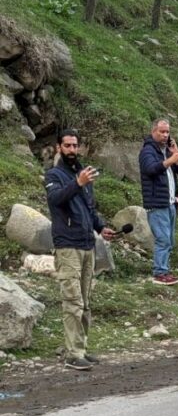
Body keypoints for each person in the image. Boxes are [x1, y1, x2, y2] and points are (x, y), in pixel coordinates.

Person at [45, 129, 115, 371]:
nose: (72, 150)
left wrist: (102, 227)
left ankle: (81, 348)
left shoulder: (83, 175)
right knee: (72, 300)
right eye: (67, 146)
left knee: (85, 301)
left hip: (88, 245)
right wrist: (78, 183)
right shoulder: (54, 175)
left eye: (75, 146)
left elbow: (89, 209)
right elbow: (56, 199)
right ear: (58, 148)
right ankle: (73, 354)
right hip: (68, 247)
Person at [139, 119, 178, 285]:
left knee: (170, 240)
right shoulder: (147, 151)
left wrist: (177, 156)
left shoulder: (166, 151)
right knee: (163, 239)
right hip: (156, 203)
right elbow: (150, 169)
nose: (165, 135)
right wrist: (170, 160)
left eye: (167, 132)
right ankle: (159, 273)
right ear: (153, 131)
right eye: (162, 131)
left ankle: (165, 270)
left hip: (170, 202)